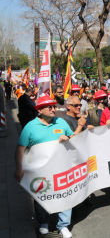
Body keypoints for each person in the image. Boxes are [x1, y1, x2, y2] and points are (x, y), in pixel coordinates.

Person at [14, 95, 74, 238]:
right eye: (50, 107)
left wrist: (68, 138)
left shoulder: (61, 122)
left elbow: (74, 138)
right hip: (40, 170)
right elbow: (20, 148)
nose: (54, 109)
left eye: (54, 106)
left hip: (62, 167)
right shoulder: (30, 126)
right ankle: (43, 222)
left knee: (65, 194)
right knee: (42, 195)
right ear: (40, 110)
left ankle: (63, 225)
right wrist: (19, 168)